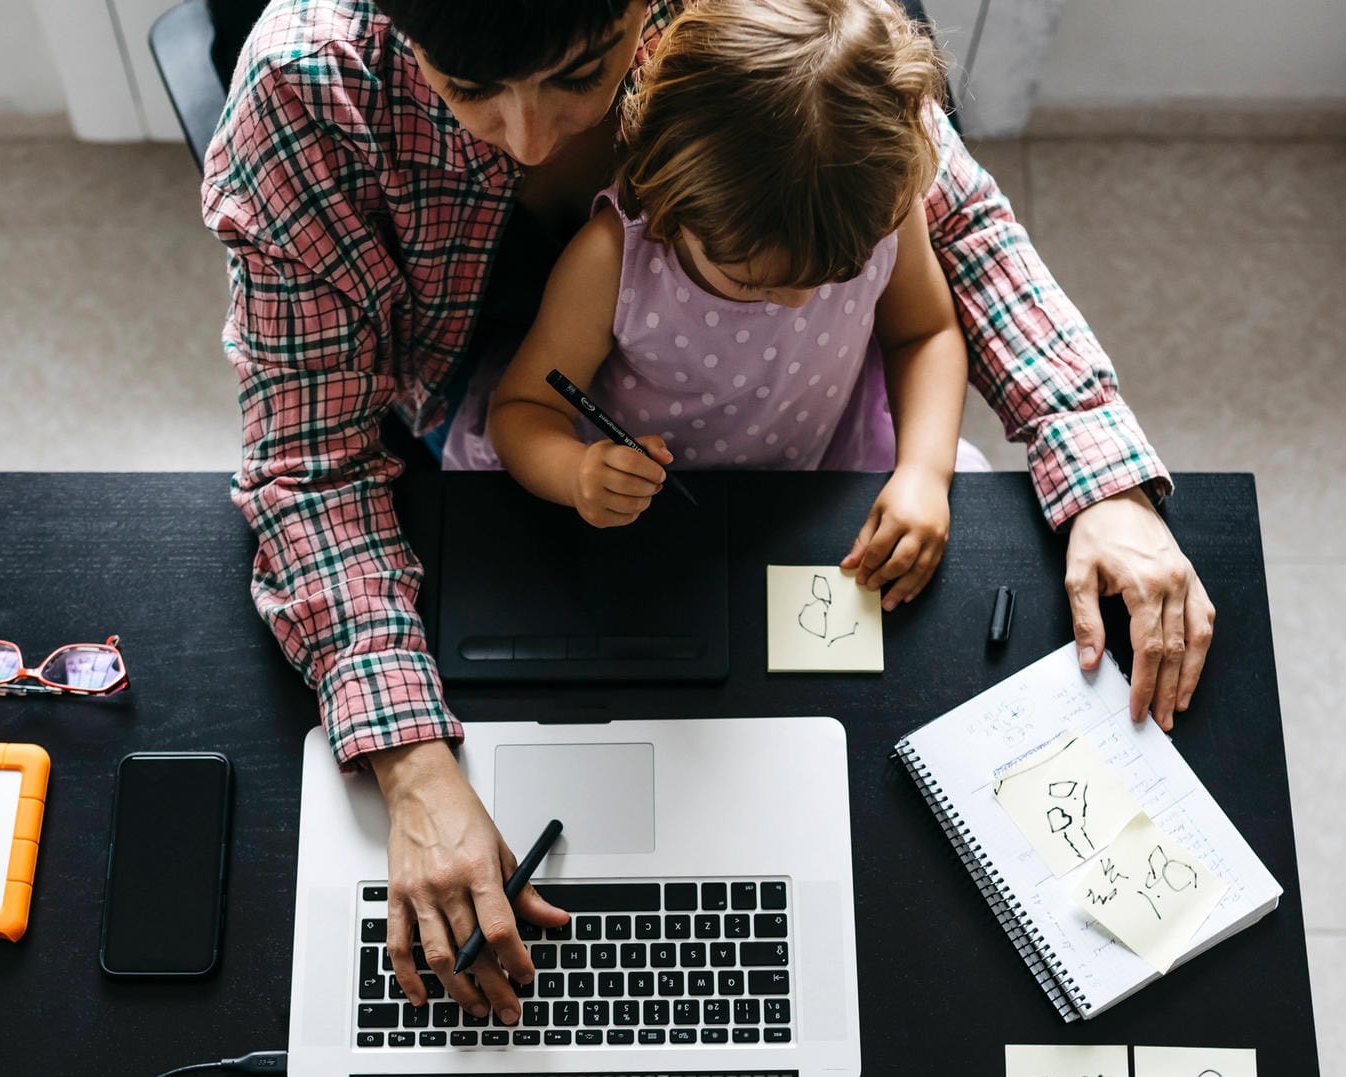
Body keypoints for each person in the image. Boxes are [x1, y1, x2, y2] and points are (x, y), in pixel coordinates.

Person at [201, 0, 1217, 1028]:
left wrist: (1103, 481)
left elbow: (948, 223)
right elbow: (313, 463)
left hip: (781, 477)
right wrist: (412, 769)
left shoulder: (773, 21)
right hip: (479, 483)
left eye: (578, 72)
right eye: (467, 93)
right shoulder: (306, 87)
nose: (531, 141)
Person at [475, 0, 983, 609]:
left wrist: (924, 473)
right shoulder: (615, 261)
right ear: (672, 200)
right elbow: (524, 408)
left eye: (834, 276)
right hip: (642, 514)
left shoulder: (882, 207)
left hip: (819, 478)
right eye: (752, 284)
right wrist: (578, 473)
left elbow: (923, 333)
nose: (797, 303)